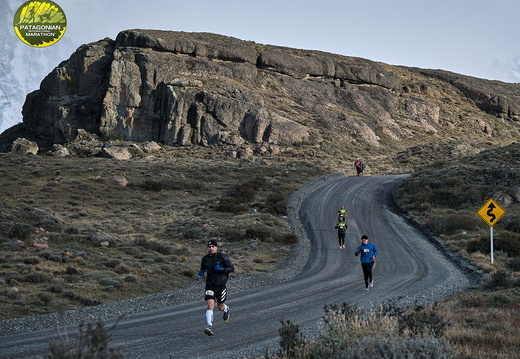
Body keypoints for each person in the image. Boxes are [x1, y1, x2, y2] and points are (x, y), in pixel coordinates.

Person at [199, 239, 234, 336]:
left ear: (216, 247)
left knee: (220, 306)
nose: (211, 248)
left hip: (221, 284)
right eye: (209, 247)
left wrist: (222, 269)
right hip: (210, 284)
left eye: (213, 247)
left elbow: (231, 268)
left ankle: (226, 309)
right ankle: (209, 326)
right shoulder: (205, 258)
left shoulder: (222, 257)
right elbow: (203, 267)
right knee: (210, 305)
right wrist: (201, 271)